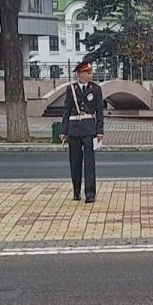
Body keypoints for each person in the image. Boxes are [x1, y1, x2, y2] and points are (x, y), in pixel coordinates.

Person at [60, 61, 104, 203]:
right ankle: (76, 191)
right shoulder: (71, 89)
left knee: (90, 163)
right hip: (74, 130)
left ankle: (90, 194)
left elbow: (99, 111)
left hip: (89, 129)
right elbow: (66, 110)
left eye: (90, 73)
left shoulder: (95, 89)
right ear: (80, 74)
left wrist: (100, 130)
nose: (89, 75)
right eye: (87, 73)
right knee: (75, 162)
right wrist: (64, 130)